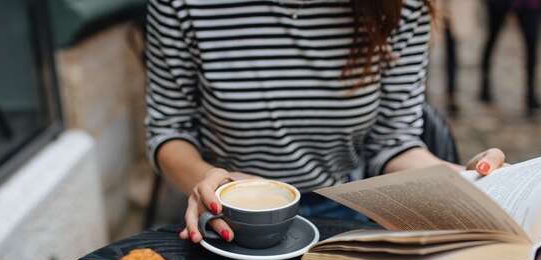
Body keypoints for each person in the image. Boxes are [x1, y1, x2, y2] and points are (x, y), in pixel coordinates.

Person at [144, 0, 507, 244]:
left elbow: (392, 143)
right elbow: (169, 130)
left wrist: (464, 181)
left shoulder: (401, 6)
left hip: (344, 210)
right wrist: (208, 180)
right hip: (229, 216)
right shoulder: (181, 5)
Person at [479, 0, 541, 113]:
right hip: (500, 3)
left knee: (531, 42)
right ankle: (485, 84)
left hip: (528, 3)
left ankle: (531, 90)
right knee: (492, 38)